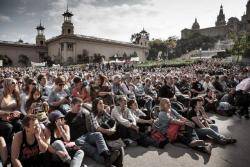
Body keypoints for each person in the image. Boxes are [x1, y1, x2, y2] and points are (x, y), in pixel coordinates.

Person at [65, 97, 120, 167]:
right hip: (77, 139)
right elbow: (65, 131)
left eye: (81, 106)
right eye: (78, 106)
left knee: (98, 134)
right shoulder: (67, 116)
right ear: (72, 105)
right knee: (91, 149)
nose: (80, 108)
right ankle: (107, 161)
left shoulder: (83, 113)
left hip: (87, 134)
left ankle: (106, 155)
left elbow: (91, 120)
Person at [90, 98, 124, 167]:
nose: (102, 105)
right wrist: (108, 131)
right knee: (104, 125)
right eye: (100, 103)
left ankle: (118, 164)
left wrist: (112, 129)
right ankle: (111, 149)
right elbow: (97, 127)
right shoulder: (92, 114)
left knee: (117, 125)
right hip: (99, 133)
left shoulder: (104, 111)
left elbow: (113, 121)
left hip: (109, 132)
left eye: (102, 103)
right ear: (95, 105)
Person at [0, 78, 23, 150]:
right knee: (8, 127)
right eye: (13, 83)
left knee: (19, 124)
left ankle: (19, 144)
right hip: (2, 118)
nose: (15, 84)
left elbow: (18, 108)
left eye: (16, 83)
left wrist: (16, 113)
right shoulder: (1, 95)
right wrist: (8, 113)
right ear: (7, 84)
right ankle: (6, 147)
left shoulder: (15, 95)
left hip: (13, 117)